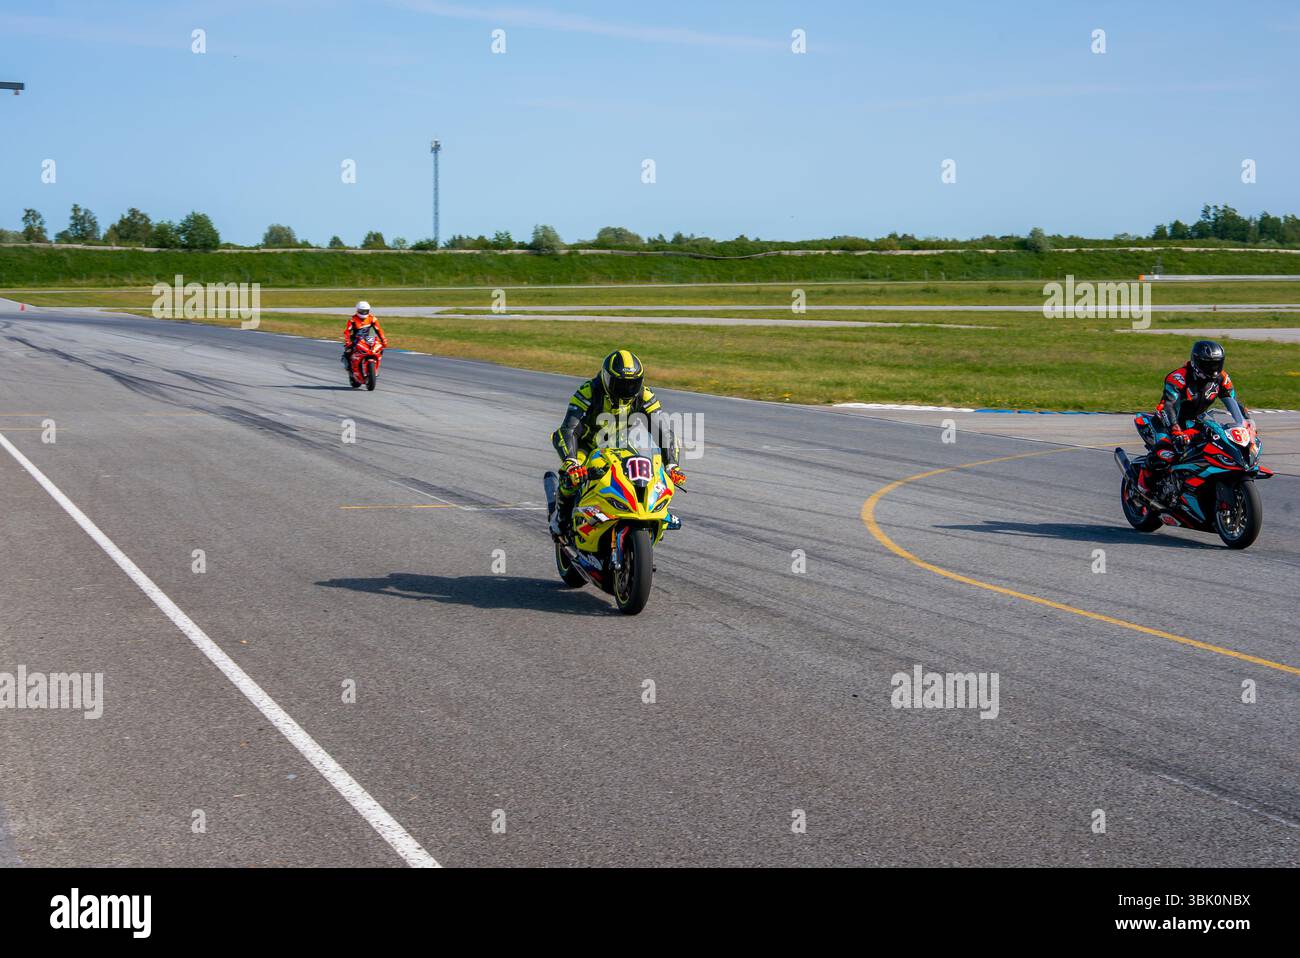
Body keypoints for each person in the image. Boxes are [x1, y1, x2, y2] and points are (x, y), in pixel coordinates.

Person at [549, 350, 686, 538]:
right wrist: (571, 461)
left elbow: (664, 431)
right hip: (586, 446)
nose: (627, 389)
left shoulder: (644, 395)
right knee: (571, 478)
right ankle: (560, 520)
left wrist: (672, 464)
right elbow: (568, 430)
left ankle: (642, 514)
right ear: (606, 379)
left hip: (620, 446)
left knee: (644, 473)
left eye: (632, 384)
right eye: (621, 384)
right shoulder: (589, 391)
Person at [1135, 340, 1250, 499]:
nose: (1214, 369)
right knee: (1164, 452)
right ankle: (1142, 487)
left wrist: (1245, 421)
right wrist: (1175, 430)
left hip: (1196, 420)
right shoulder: (1178, 378)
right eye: (1209, 365)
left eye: (1217, 364)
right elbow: (1169, 405)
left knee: (1218, 442)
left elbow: (1232, 401)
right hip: (1167, 421)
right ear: (1197, 362)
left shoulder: (1221, 378)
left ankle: (1197, 484)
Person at [341, 301, 387, 367]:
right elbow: (347, 332)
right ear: (357, 310)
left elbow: (378, 330)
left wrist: (383, 339)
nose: (364, 313)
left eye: (365, 311)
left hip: (368, 339)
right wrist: (347, 342)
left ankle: (376, 363)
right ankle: (349, 366)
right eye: (362, 311)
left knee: (380, 348)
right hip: (356, 339)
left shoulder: (372, 319)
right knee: (348, 351)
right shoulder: (352, 320)